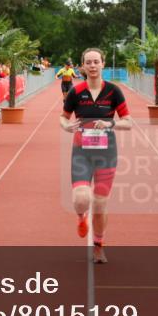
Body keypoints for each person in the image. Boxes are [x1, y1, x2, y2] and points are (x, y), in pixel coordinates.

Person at [59, 48, 132, 264]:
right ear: (82, 66)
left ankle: (98, 246)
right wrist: (66, 126)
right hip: (81, 152)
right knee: (81, 199)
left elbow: (128, 122)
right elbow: (63, 117)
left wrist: (111, 123)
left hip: (106, 154)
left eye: (96, 62)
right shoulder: (76, 92)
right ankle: (81, 217)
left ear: (103, 64)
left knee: (100, 205)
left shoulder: (113, 91)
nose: (92, 66)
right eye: (88, 62)